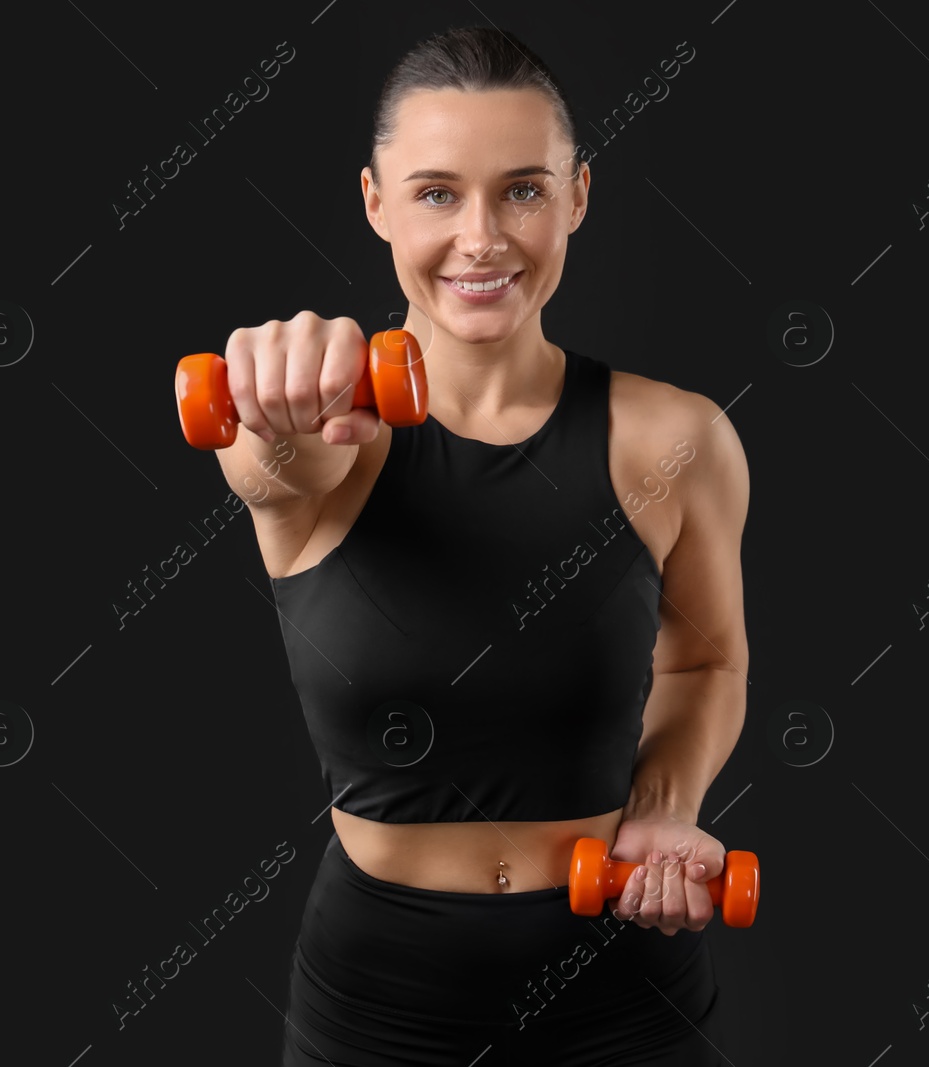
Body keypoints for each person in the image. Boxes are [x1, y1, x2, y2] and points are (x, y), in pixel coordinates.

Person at [212, 26, 750, 1066]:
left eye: (522, 190)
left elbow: (707, 659)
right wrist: (270, 408)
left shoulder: (676, 440)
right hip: (380, 997)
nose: (482, 237)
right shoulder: (330, 440)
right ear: (375, 201)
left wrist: (663, 808)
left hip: (625, 986)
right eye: (436, 193)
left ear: (577, 197)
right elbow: (270, 469)